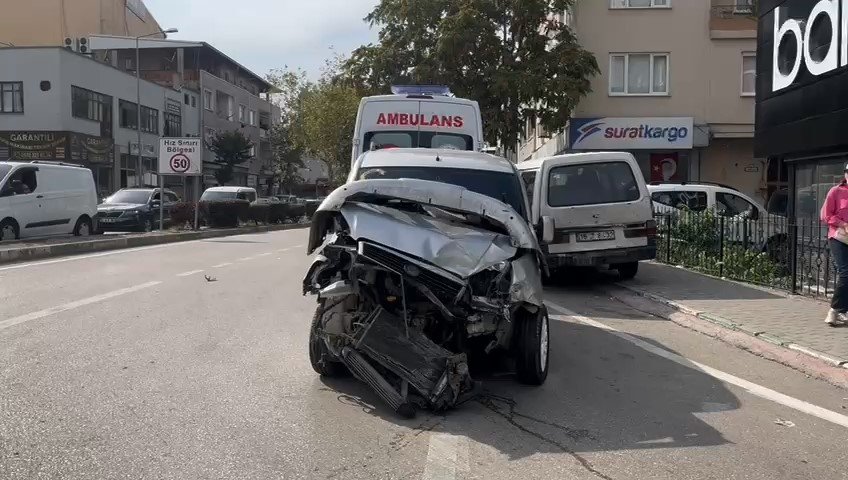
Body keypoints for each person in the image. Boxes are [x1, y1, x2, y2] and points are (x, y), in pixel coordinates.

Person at [820, 164, 848, 326]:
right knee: (846, 272)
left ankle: (844, 310)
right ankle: (834, 309)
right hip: (838, 236)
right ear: (845, 174)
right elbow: (826, 215)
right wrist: (843, 224)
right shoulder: (836, 191)